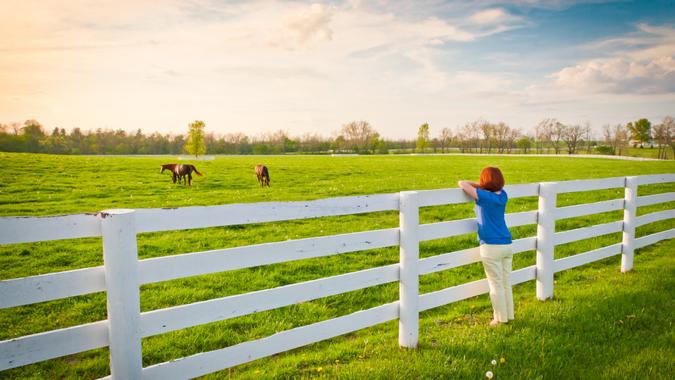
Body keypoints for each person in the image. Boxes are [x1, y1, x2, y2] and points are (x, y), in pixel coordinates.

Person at [458, 167, 513, 327]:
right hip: (507, 243)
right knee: (505, 282)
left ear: (485, 182)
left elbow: (462, 183)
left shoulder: (484, 196)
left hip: (491, 245)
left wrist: (480, 185)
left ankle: (500, 319)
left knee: (495, 284)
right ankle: (509, 315)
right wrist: (486, 185)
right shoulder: (503, 195)